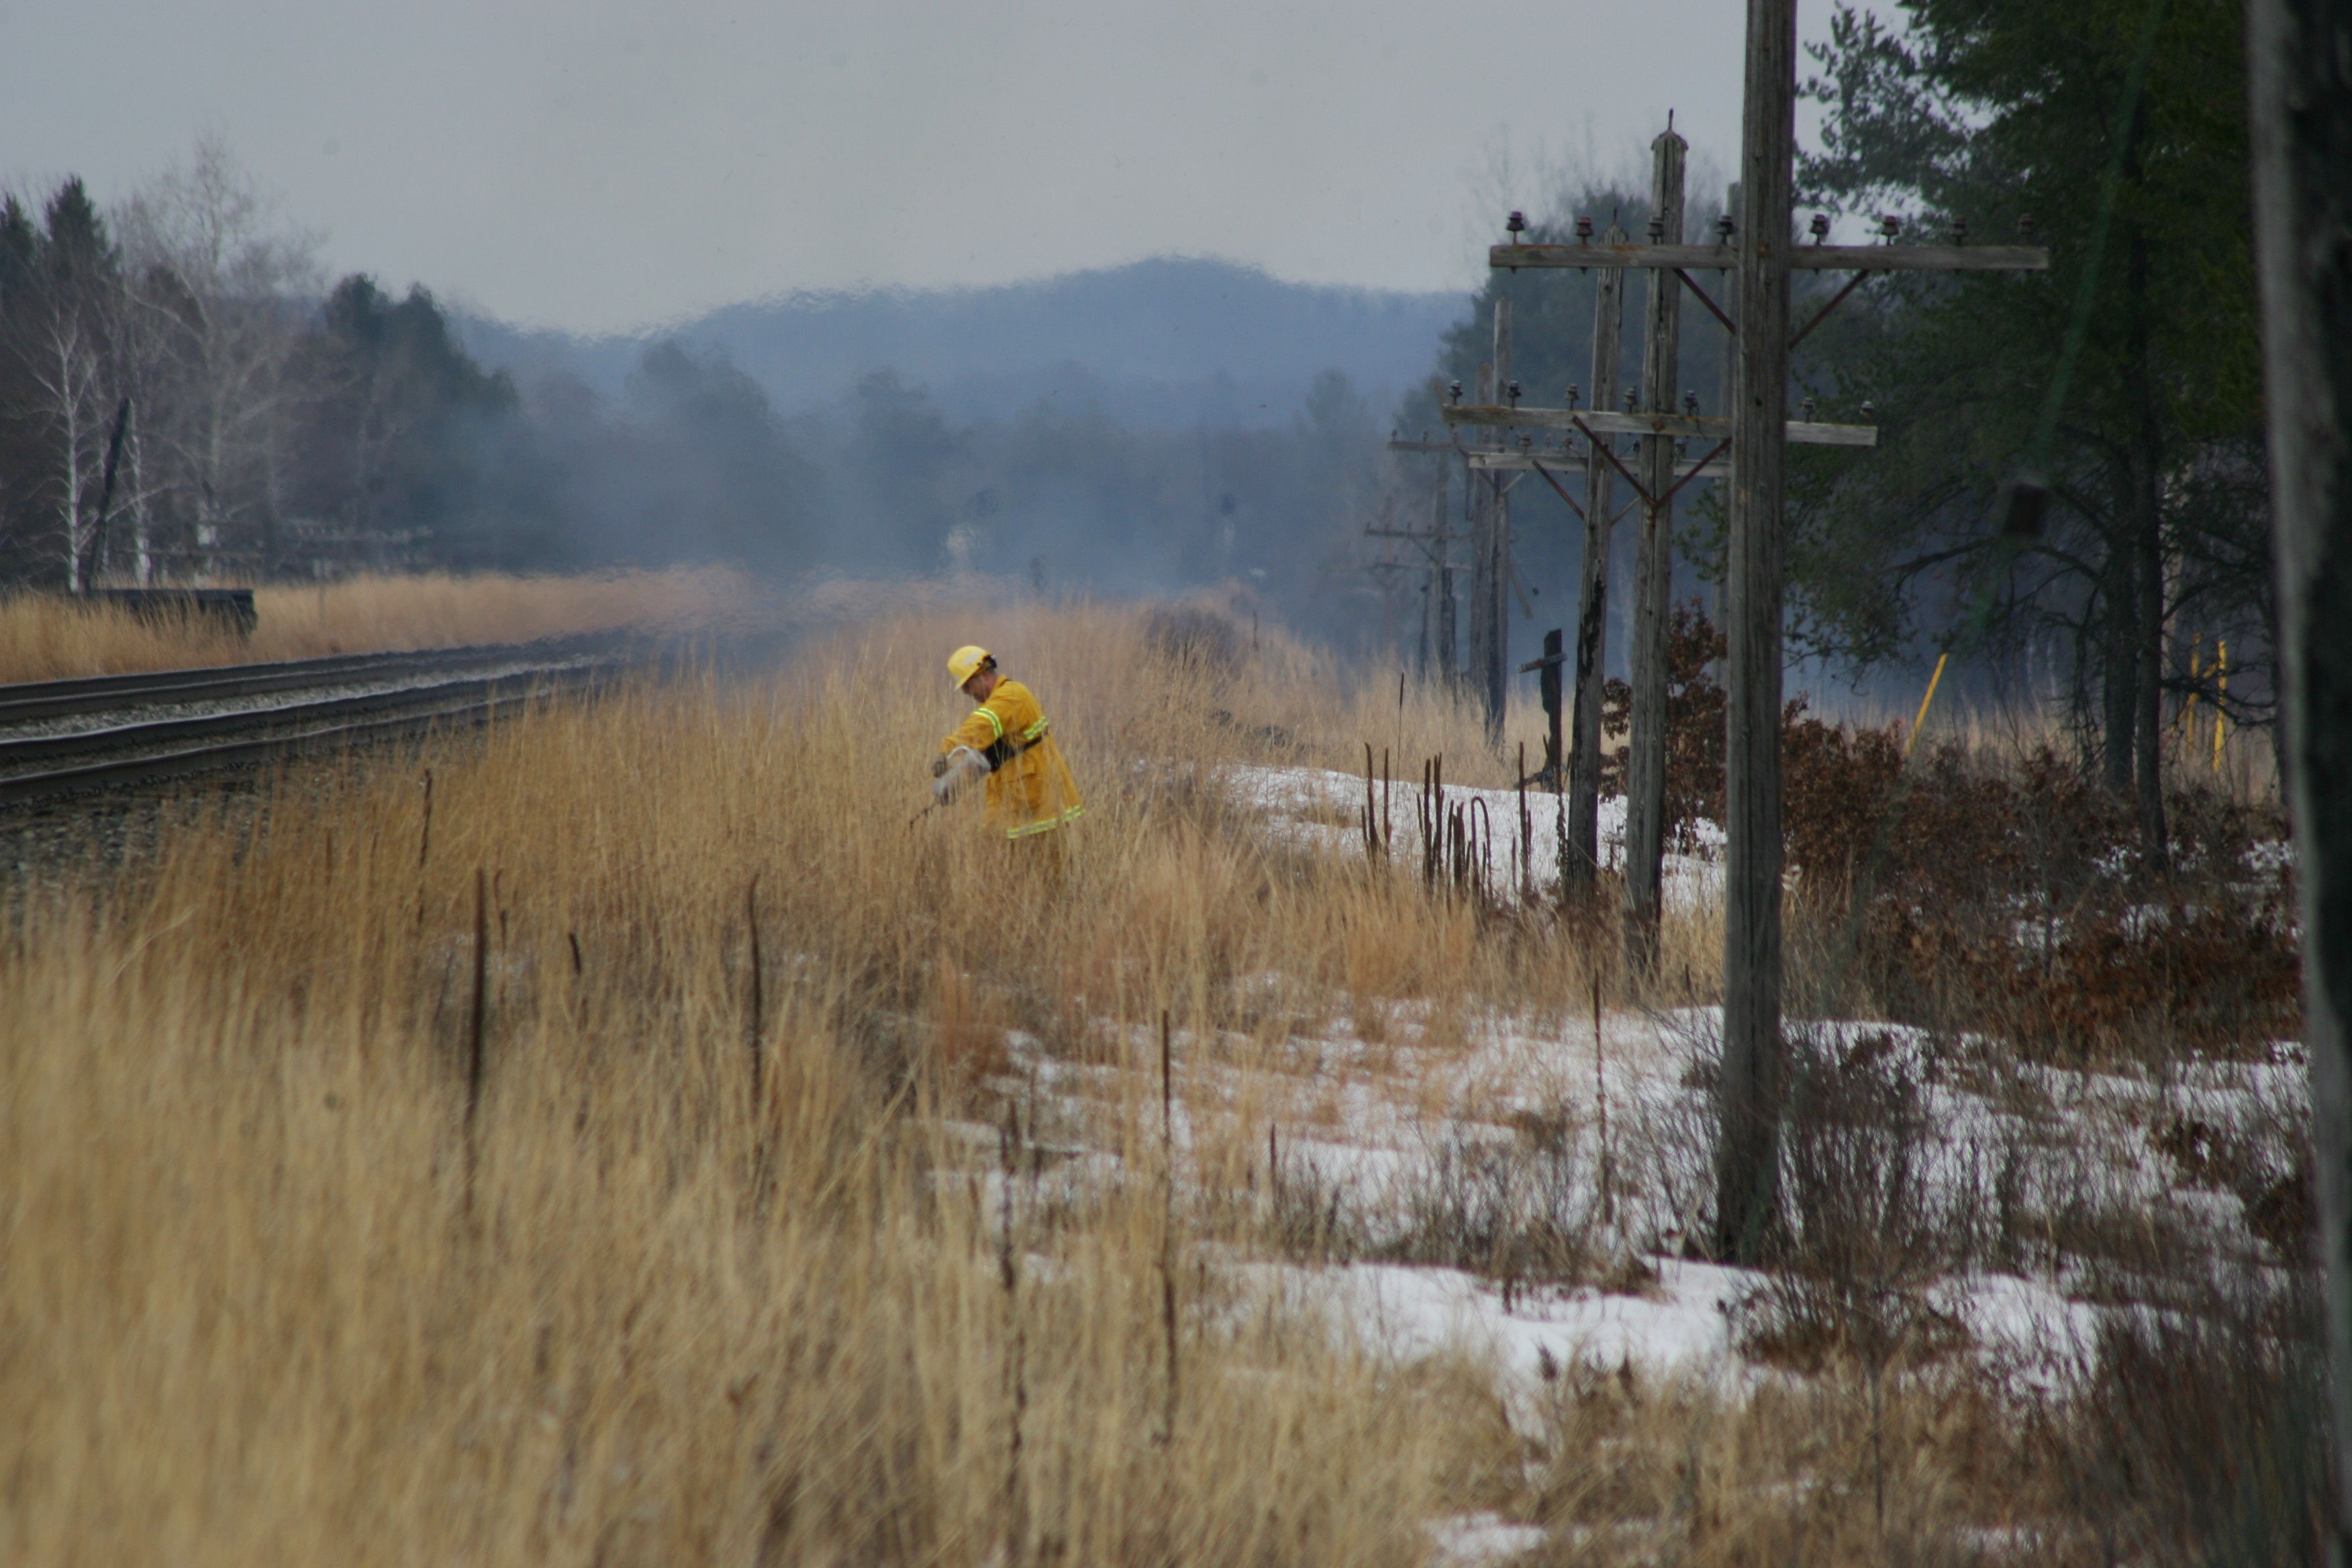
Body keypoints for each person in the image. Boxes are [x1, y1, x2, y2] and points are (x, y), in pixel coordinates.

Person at [932, 645, 1083, 840]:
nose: (966, 693)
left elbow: (980, 725)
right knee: (995, 848)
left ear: (983, 675)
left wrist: (947, 749)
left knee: (1034, 856)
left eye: (968, 686)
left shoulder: (1010, 696)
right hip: (1019, 795)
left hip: (1037, 799)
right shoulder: (1001, 699)